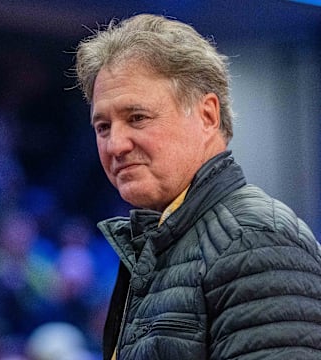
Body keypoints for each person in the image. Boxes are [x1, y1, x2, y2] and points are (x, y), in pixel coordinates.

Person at [75, 13, 321, 360]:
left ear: (207, 115)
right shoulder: (161, 245)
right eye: (103, 127)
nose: (115, 145)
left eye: (137, 118)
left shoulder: (254, 240)